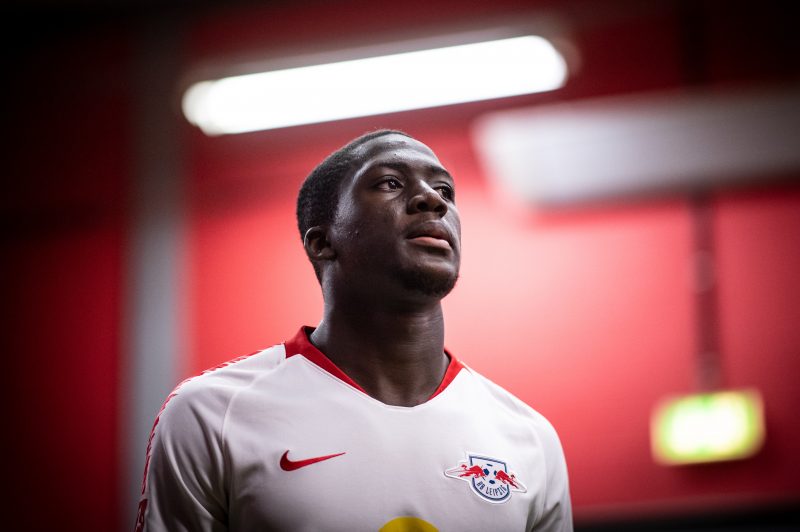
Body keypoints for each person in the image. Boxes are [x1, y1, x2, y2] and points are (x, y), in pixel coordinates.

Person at [135, 129, 573, 531]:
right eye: (390, 183)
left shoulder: (528, 437)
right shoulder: (211, 414)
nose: (433, 200)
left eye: (445, 191)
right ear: (322, 242)